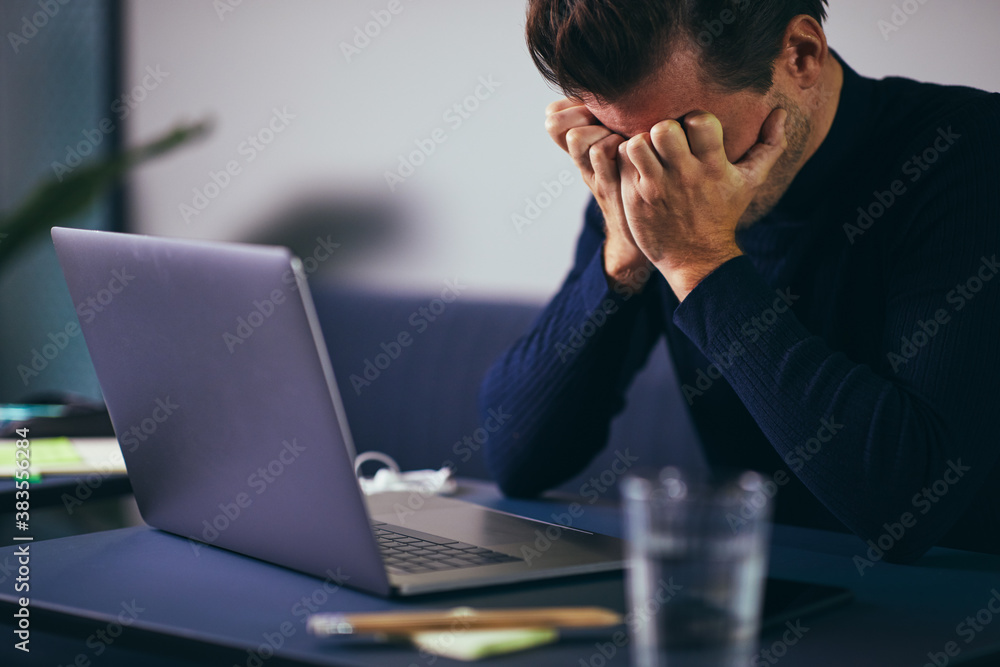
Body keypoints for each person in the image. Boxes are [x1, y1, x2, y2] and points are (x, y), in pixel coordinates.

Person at [478, 0, 1000, 563]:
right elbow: (517, 460)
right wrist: (624, 256)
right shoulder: (641, 174)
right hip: (762, 595)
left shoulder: (968, 153)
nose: (659, 169)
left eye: (686, 133)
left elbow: (910, 507)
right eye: (620, 138)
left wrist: (699, 263)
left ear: (800, 57)